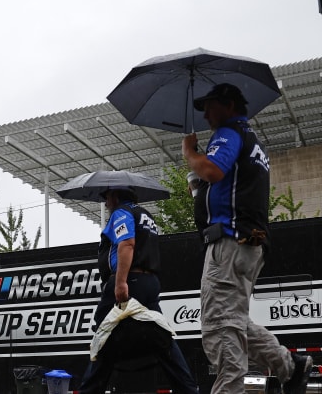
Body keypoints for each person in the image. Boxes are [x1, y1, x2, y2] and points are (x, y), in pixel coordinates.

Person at [182, 83, 312, 394]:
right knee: (234, 320)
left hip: (228, 243)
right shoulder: (253, 142)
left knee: (221, 327)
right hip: (247, 244)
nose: (205, 113)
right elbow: (230, 185)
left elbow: (212, 169)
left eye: (209, 106)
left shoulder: (229, 133)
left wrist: (190, 152)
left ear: (228, 104)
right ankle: (289, 367)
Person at [78, 187, 198, 394]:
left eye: (106, 198)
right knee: (162, 338)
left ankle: (89, 389)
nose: (106, 204)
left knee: (102, 338)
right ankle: (187, 389)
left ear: (115, 196)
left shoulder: (121, 213)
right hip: (149, 282)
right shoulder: (146, 215)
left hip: (129, 281)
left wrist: (121, 282)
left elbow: (127, 243)